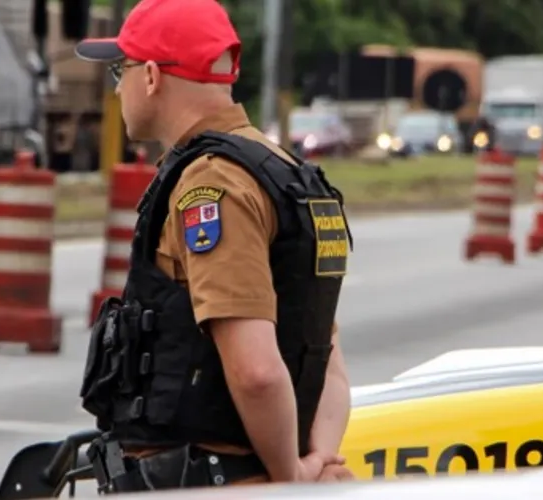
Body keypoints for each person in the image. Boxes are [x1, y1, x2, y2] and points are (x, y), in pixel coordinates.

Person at [75, 0, 354, 493]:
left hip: (214, 482)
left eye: (122, 70)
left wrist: (290, 478)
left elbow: (257, 372)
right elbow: (324, 358)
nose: (118, 88)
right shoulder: (289, 174)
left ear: (152, 77)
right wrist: (318, 460)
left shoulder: (213, 185)